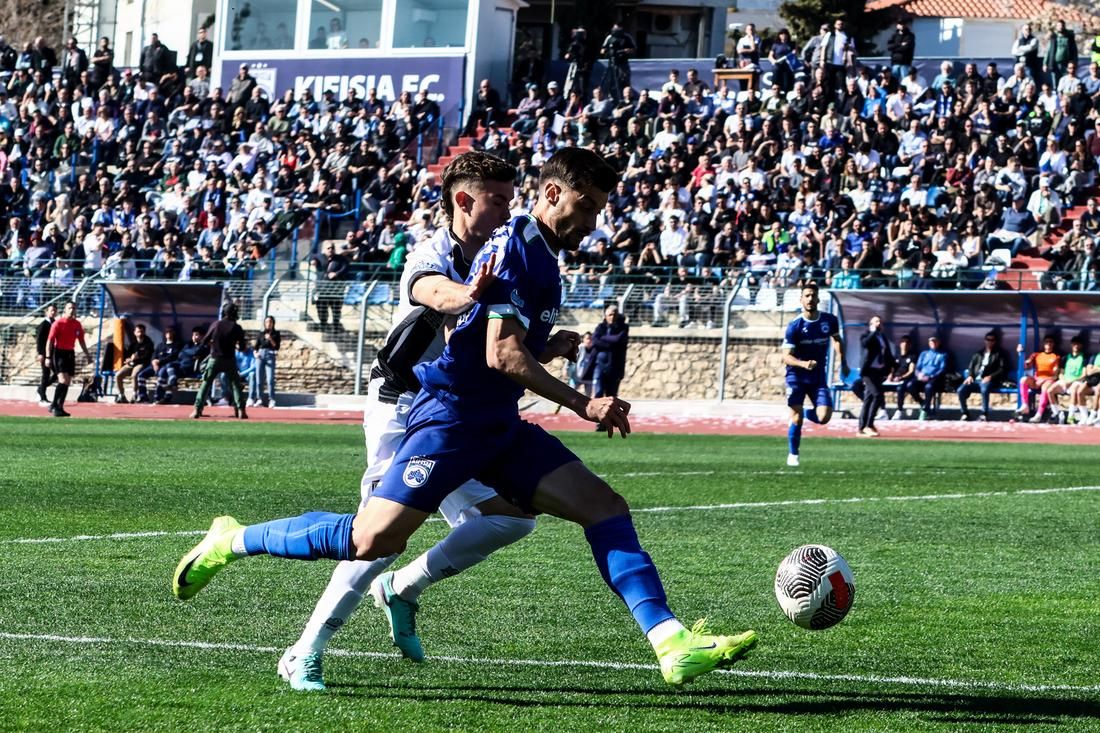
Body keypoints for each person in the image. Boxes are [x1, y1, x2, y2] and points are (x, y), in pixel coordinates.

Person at [173, 147, 757, 689]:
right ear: (553, 194)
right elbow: (493, 347)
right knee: (372, 538)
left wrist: (542, 345)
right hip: (438, 416)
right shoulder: (506, 248)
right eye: (586, 207)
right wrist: (583, 402)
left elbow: (500, 341)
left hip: (495, 420)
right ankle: (237, 547)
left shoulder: (536, 251)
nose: (592, 221)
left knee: (599, 508)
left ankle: (671, 642)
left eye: (599, 210)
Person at [276, 152, 539, 691]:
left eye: (511, 200)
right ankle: (304, 650)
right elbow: (431, 290)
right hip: (401, 406)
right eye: (498, 200)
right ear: (463, 201)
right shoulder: (431, 251)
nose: (508, 210)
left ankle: (403, 588)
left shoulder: (503, 248)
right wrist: (469, 294)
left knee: (513, 517)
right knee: (379, 537)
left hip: (451, 413)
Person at [782, 282, 847, 467]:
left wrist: (843, 362)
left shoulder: (829, 320)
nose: (810, 299)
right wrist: (803, 363)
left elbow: (837, 339)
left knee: (823, 417)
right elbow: (786, 357)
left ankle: (803, 413)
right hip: (796, 376)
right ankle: (793, 454)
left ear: (818, 299)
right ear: (801, 299)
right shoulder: (794, 326)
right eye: (807, 296)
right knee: (796, 418)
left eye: (813, 295)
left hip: (817, 377)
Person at [190, 303, 248, 419]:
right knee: (235, 385)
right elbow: (242, 347)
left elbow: (204, 341)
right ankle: (241, 410)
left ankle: (197, 409)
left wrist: (203, 350)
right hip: (229, 359)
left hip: (215, 358)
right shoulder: (237, 327)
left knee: (206, 383)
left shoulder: (216, 324)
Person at [45, 301, 91, 417]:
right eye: (69, 308)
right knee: (62, 380)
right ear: (65, 310)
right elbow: (50, 341)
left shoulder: (77, 324)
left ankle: (59, 406)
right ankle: (55, 405)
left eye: (73, 308)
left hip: (70, 353)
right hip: (59, 353)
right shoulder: (58, 323)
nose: (72, 310)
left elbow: (81, 340)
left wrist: (87, 355)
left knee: (68, 381)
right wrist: (48, 357)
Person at [957, 332, 1008, 422]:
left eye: (992, 340)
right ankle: (964, 413)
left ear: (995, 342)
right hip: (975, 380)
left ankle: (984, 414)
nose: (989, 342)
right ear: (985, 341)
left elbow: (1002, 368)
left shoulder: (999, 354)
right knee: (960, 390)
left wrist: (990, 376)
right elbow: (971, 367)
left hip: (988, 380)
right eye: (988, 339)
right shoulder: (978, 354)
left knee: (984, 389)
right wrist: (970, 376)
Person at [857, 315, 894, 437]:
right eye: (876, 321)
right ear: (871, 324)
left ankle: (862, 428)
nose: (879, 323)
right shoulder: (866, 335)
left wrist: (894, 368)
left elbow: (887, 354)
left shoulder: (882, 337)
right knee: (877, 395)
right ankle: (869, 424)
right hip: (868, 371)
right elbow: (865, 344)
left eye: (880, 322)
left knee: (868, 398)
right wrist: (873, 332)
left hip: (878, 372)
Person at [1036, 337, 1085, 424]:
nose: (1076, 346)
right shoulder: (1066, 357)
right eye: (1074, 344)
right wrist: (1063, 380)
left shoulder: (1084, 357)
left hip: (1077, 381)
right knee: (1050, 390)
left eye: (1078, 344)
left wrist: (1071, 382)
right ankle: (1057, 414)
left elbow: (1084, 375)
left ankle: (1070, 416)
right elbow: (1061, 373)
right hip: (1065, 381)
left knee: (1074, 390)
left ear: (1081, 345)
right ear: (1071, 345)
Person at [153, 327, 208, 404]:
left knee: (169, 369)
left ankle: (171, 388)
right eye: (193, 335)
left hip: (191, 369)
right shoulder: (189, 344)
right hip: (181, 367)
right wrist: (189, 354)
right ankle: (159, 397)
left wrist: (187, 353)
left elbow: (195, 352)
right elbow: (180, 354)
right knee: (164, 370)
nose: (194, 337)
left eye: (196, 335)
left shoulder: (204, 346)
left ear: (202, 336)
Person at [1016, 336, 1060, 419]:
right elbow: (1026, 365)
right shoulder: (1037, 354)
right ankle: (1025, 405)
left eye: (1051, 342)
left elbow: (1055, 374)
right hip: (1037, 379)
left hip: (1049, 380)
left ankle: (1039, 414)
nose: (1048, 344)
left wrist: (1046, 378)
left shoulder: (1056, 356)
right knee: (1023, 380)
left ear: (1053, 344)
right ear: (1043, 344)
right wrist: (1020, 354)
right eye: (1047, 342)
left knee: (1045, 388)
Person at [592, 303, 629, 398]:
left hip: (615, 367)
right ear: (605, 316)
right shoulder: (601, 327)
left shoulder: (623, 327)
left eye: (614, 315)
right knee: (598, 393)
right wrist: (610, 344)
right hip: (600, 365)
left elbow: (618, 339)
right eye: (610, 315)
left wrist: (602, 338)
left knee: (611, 396)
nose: (612, 317)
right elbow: (595, 341)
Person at [115, 322, 154, 403]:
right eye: (138, 331)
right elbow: (128, 355)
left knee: (135, 375)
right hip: (131, 364)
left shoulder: (148, 342)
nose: (140, 333)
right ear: (134, 332)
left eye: (142, 331)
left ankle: (134, 395)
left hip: (141, 363)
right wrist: (128, 359)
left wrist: (137, 357)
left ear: (144, 332)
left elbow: (147, 356)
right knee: (118, 375)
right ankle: (121, 395)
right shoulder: (133, 342)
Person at [914, 335, 947, 420]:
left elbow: (942, 369)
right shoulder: (924, 354)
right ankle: (923, 403)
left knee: (928, 387)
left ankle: (926, 408)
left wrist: (931, 376)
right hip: (922, 377)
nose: (933, 344)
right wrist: (918, 374)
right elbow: (917, 368)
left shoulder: (943, 354)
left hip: (934, 378)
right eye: (932, 342)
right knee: (910, 385)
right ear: (929, 343)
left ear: (938, 343)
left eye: (935, 342)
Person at [250, 316, 280, 407]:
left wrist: (270, 339)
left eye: (270, 322)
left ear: (273, 323)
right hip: (260, 355)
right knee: (259, 379)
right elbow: (255, 347)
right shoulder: (261, 334)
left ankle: (272, 399)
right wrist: (255, 353)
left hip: (270, 355)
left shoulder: (276, 334)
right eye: (266, 322)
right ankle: (259, 399)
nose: (268, 324)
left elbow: (277, 347)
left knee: (270, 379)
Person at [888, 335, 918, 418]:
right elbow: (892, 369)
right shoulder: (896, 356)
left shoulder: (912, 356)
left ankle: (899, 410)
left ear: (910, 345)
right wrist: (890, 375)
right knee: (879, 387)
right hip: (894, 379)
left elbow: (911, 371)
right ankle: (882, 409)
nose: (904, 344)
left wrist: (901, 377)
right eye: (903, 342)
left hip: (905, 379)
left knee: (900, 388)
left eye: (906, 342)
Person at [35, 303, 57, 404]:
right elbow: (39, 340)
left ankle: (41, 388)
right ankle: (42, 397)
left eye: (54, 311)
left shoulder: (55, 323)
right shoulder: (43, 325)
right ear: (46, 312)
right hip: (44, 353)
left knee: (57, 373)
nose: (53, 312)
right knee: (46, 374)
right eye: (51, 310)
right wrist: (40, 353)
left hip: (53, 353)